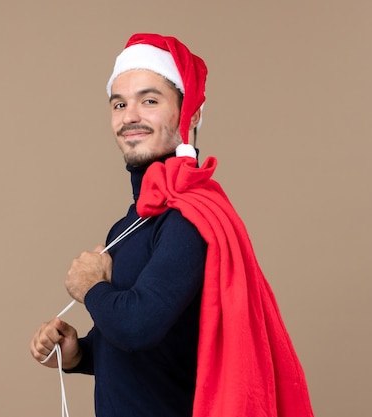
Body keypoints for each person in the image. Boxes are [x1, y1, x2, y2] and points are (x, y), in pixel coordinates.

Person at [30, 33, 314, 417]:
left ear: (191, 114)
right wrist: (79, 352)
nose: (130, 115)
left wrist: (90, 287)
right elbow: (144, 350)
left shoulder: (189, 220)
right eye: (119, 103)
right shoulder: (130, 224)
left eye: (149, 100)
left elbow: (137, 325)